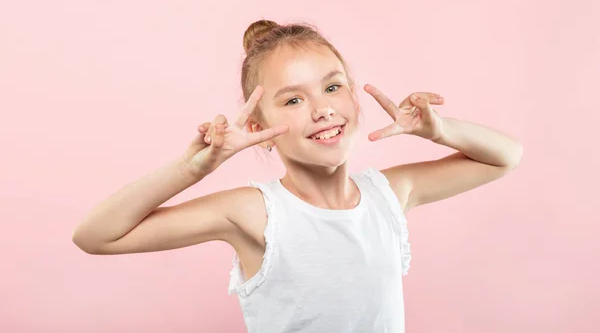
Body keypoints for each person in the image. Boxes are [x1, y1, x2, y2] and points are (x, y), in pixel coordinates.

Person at [72, 19, 523, 332]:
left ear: (353, 99)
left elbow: (505, 156)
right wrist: (191, 169)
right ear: (258, 131)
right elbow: (96, 236)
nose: (322, 108)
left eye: (331, 87)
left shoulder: (389, 194)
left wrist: (439, 130)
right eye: (292, 100)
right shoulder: (254, 213)